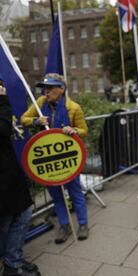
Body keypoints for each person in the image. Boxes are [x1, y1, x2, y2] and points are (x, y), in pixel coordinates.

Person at [21, 73, 89, 245]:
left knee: (75, 194)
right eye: (45, 87)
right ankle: (64, 226)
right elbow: (23, 119)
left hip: (67, 159)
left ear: (61, 89)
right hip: (47, 159)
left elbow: (84, 130)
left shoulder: (73, 107)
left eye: (50, 87)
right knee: (57, 196)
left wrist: (73, 130)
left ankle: (83, 225)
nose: (46, 91)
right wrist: (36, 121)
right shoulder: (40, 103)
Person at [0, 74, 41, 276]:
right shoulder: (2, 105)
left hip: (8, 175)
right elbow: (4, 128)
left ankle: (10, 260)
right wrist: (2, 101)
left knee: (10, 217)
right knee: (17, 215)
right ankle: (11, 264)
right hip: (5, 177)